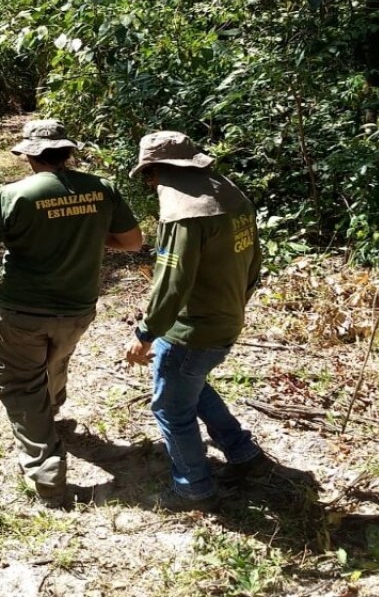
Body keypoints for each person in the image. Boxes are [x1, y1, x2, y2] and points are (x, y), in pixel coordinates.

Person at [0, 119, 143, 508]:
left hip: (21, 309)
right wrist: (90, 236)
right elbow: (132, 242)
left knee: (20, 385)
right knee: (57, 358)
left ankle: (48, 478)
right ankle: (52, 412)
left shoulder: (12, 194)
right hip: (78, 307)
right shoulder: (100, 189)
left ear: (28, 154)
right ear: (68, 152)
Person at [124, 130, 272, 512]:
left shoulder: (184, 215)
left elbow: (172, 283)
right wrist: (238, 302)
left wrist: (145, 333)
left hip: (192, 330)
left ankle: (193, 487)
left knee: (171, 407)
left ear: (159, 170)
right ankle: (242, 452)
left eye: (149, 174)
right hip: (226, 317)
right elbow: (255, 259)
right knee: (191, 384)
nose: (150, 182)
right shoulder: (231, 197)